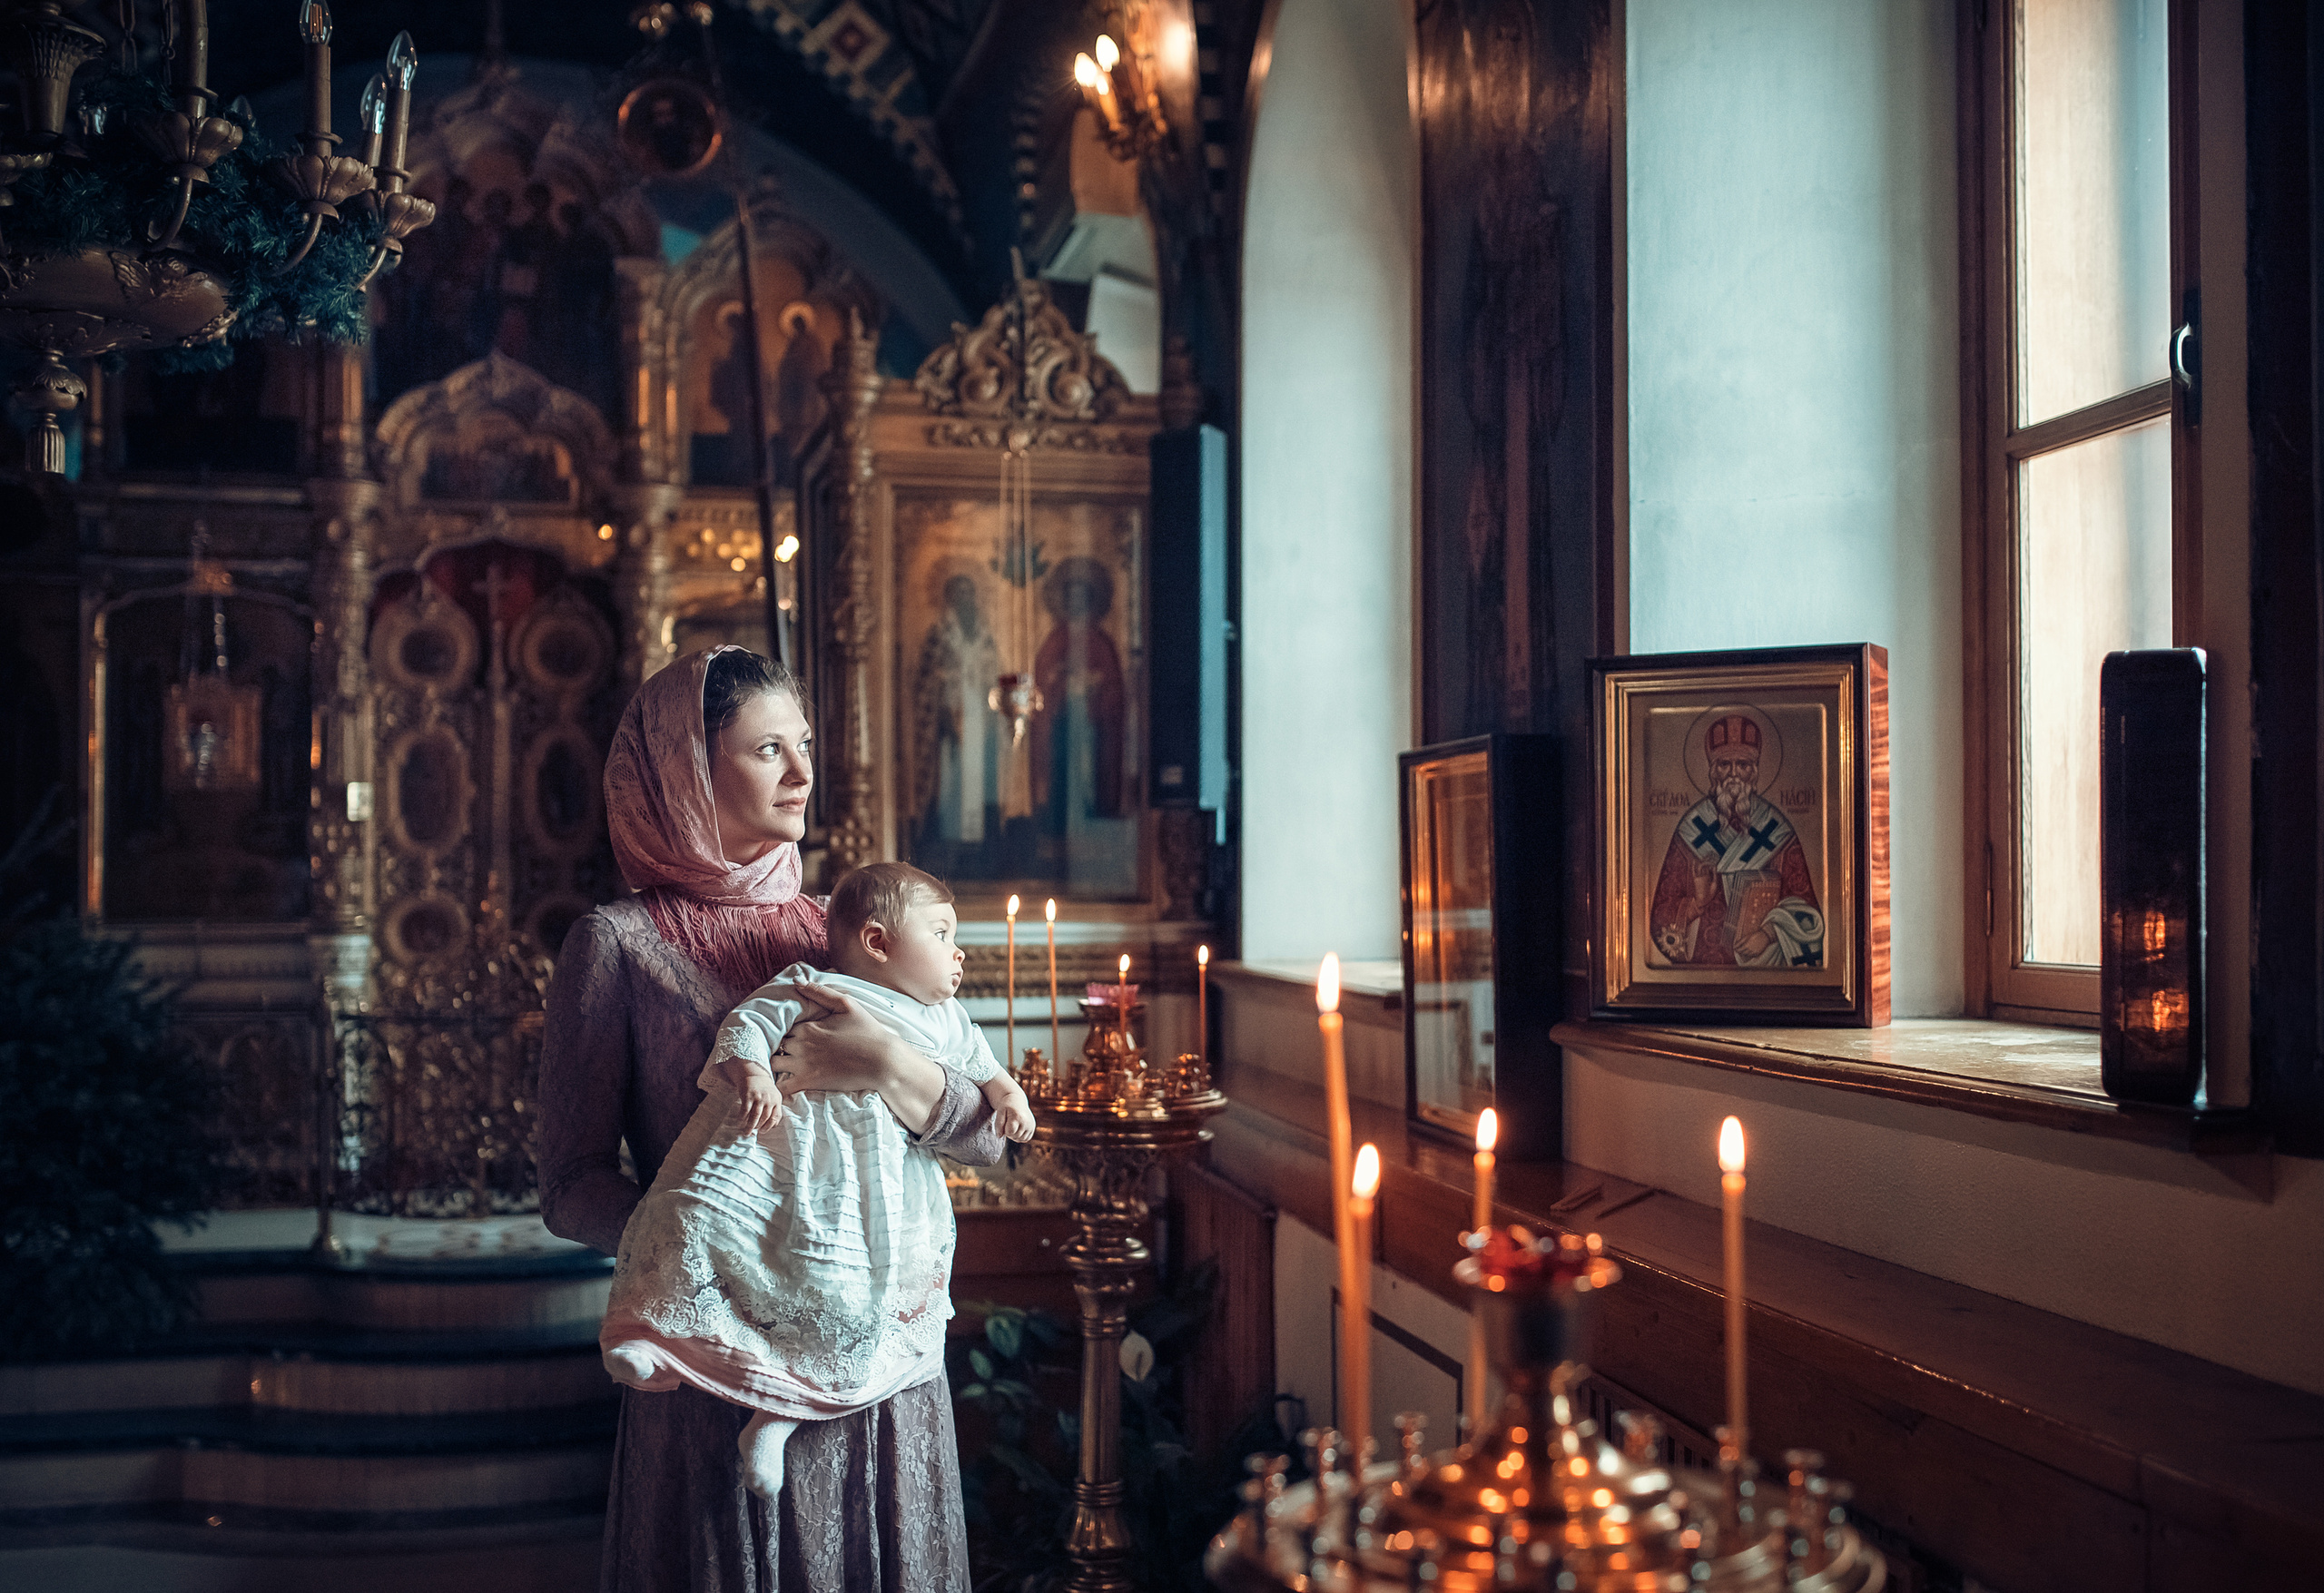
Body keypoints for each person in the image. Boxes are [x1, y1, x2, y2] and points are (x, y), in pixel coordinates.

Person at [538, 646, 1004, 1591]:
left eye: (804, 745)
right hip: (717, 1378)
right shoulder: (614, 947)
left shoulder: (851, 929)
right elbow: (568, 1182)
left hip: (879, 1367)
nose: (801, 772)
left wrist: (884, 1062)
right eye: (767, 750)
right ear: (685, 772)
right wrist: (725, 1260)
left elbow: (989, 1141)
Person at [599, 860, 1037, 1499]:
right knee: (692, 1209)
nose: (957, 950)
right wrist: (750, 1073)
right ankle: (654, 1332)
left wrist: (1007, 1096)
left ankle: (774, 1423)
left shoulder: (947, 1019)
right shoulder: (813, 979)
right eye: (941, 933)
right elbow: (750, 1023)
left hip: (874, 1187)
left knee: (848, 1299)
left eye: (803, 748)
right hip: (788, 1156)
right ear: (879, 942)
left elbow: (985, 1084)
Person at [1647, 713, 1826, 968]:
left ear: (1754, 772)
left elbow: (1807, 910)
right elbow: (1660, 917)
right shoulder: (1691, 829)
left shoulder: (1776, 829)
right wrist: (1697, 903)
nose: (1733, 774)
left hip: (1764, 968)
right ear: (1712, 772)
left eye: (1742, 765)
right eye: (1724, 764)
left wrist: (1768, 934)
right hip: (1703, 972)